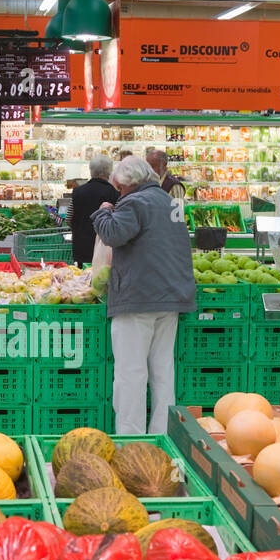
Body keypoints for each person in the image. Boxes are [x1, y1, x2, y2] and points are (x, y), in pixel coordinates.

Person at [92, 155, 196, 435]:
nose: (119, 194)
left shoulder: (135, 202)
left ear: (131, 183)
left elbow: (113, 234)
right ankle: (162, 435)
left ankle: (131, 439)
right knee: (163, 371)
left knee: (131, 374)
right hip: (172, 297)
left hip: (138, 299)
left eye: (120, 188)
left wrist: (103, 211)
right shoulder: (169, 202)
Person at [70, 153, 119, 266]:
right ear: (109, 172)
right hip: (104, 249)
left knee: (81, 280)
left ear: (91, 170)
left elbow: (69, 218)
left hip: (81, 247)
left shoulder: (78, 191)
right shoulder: (114, 193)